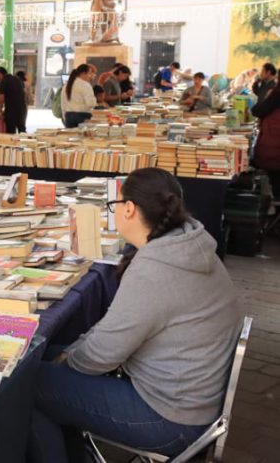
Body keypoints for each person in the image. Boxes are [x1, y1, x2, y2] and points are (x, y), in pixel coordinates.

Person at [31, 168, 240, 461]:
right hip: (190, 400)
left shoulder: (155, 267)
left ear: (129, 209)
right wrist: (68, 354)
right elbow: (115, 326)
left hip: (172, 419)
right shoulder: (188, 244)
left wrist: (68, 360)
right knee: (41, 359)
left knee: (29, 385)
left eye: (114, 205)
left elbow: (103, 354)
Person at [251, 82, 280, 197]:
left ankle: (274, 199)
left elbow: (257, 110)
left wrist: (267, 97)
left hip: (273, 150)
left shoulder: (276, 95)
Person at [60, 64, 95, 128]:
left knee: (71, 134)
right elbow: (90, 104)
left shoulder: (66, 85)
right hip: (83, 116)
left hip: (69, 116)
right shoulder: (85, 85)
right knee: (83, 135)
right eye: (89, 73)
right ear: (83, 73)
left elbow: (63, 104)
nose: (90, 76)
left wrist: (65, 117)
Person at [0, 66, 27, 134]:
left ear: (0, 74)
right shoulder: (17, 79)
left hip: (11, 110)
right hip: (22, 109)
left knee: (11, 132)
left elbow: (1, 98)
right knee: (22, 130)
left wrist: (0, 110)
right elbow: (24, 92)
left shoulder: (3, 82)